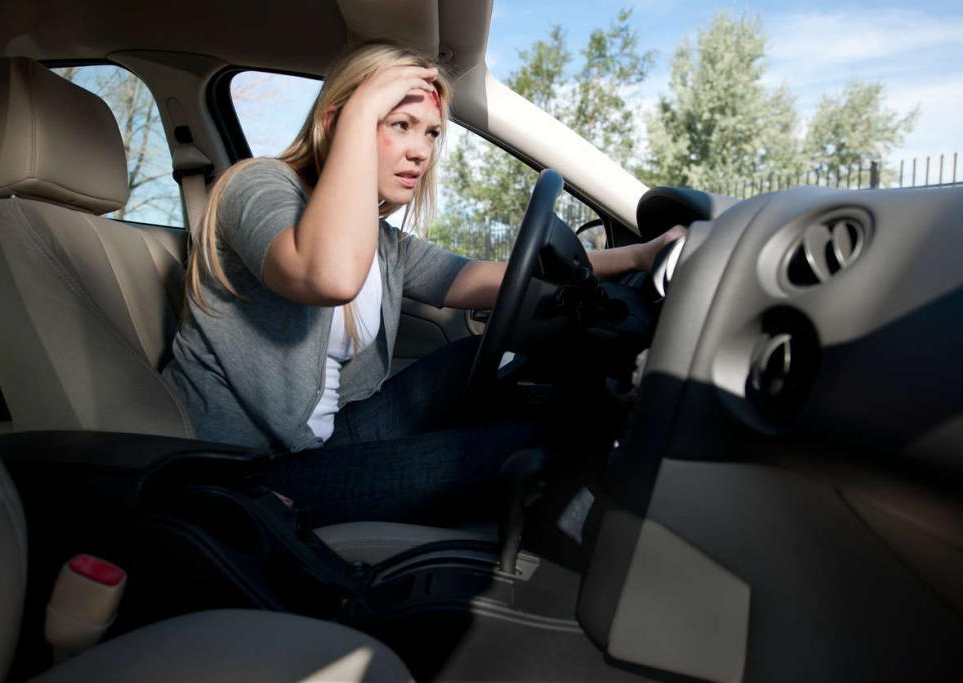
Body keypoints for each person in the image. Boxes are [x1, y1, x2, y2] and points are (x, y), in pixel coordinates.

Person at [162, 42, 681, 528]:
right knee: (528, 447)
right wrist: (361, 112)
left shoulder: (382, 241)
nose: (421, 152)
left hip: (329, 439)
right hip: (253, 473)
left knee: (487, 361)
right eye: (401, 124)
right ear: (336, 124)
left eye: (431, 133)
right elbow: (328, 275)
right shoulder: (257, 186)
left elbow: (472, 278)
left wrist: (638, 254)